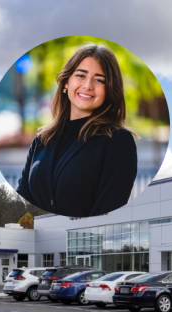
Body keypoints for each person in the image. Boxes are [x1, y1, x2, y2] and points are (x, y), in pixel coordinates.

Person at [16, 43, 138, 217]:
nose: (88, 85)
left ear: (109, 89)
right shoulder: (42, 139)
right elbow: (23, 199)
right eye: (81, 75)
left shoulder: (117, 141)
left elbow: (107, 213)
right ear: (67, 81)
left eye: (99, 80)